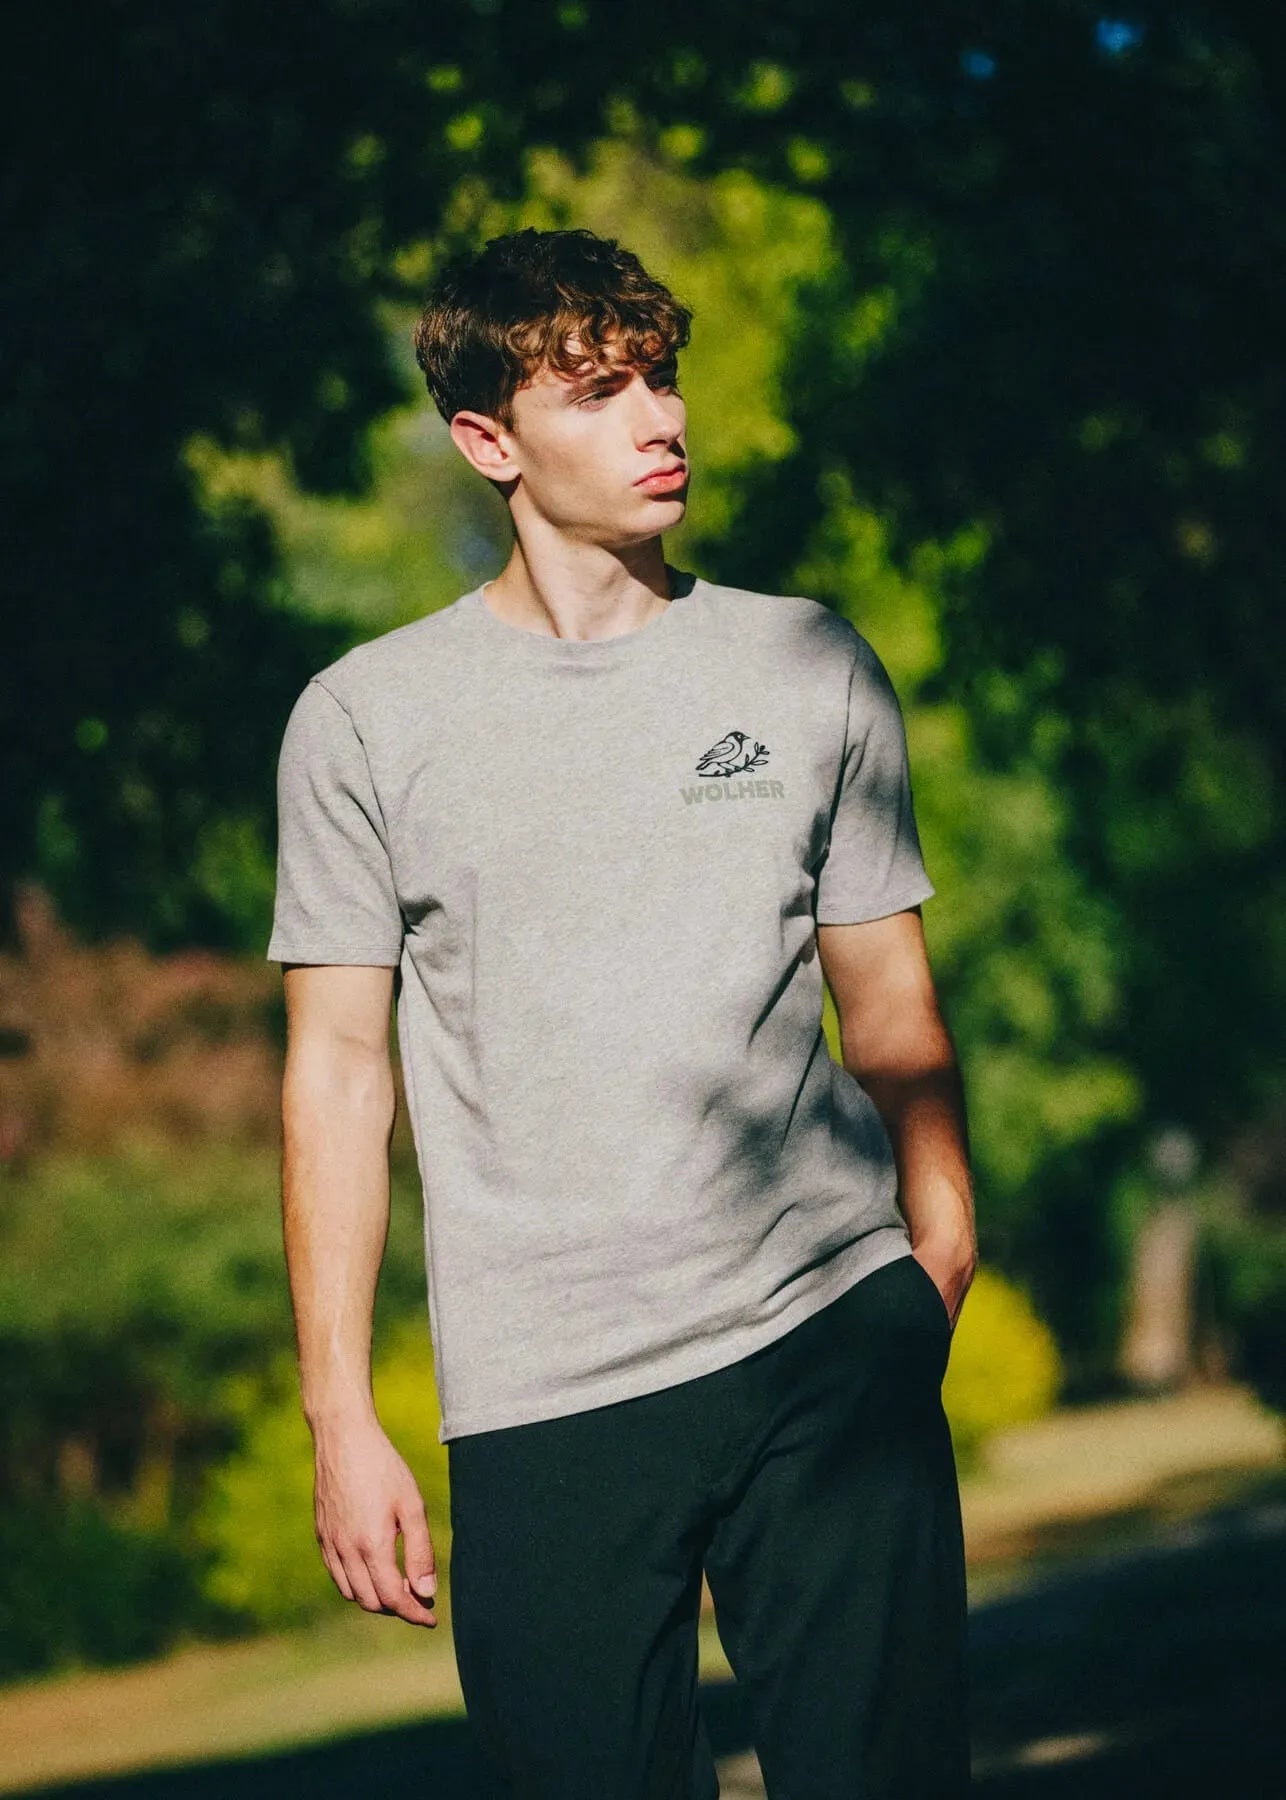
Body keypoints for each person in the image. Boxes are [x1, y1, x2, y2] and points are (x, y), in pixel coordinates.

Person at [267, 225, 978, 1799]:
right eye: (596, 393)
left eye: (660, 378)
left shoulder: (804, 663)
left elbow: (886, 992)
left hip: (823, 1333)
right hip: (546, 1393)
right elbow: (335, 1075)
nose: (659, 421)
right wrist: (339, 1414)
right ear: (487, 442)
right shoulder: (366, 722)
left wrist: (937, 1237)